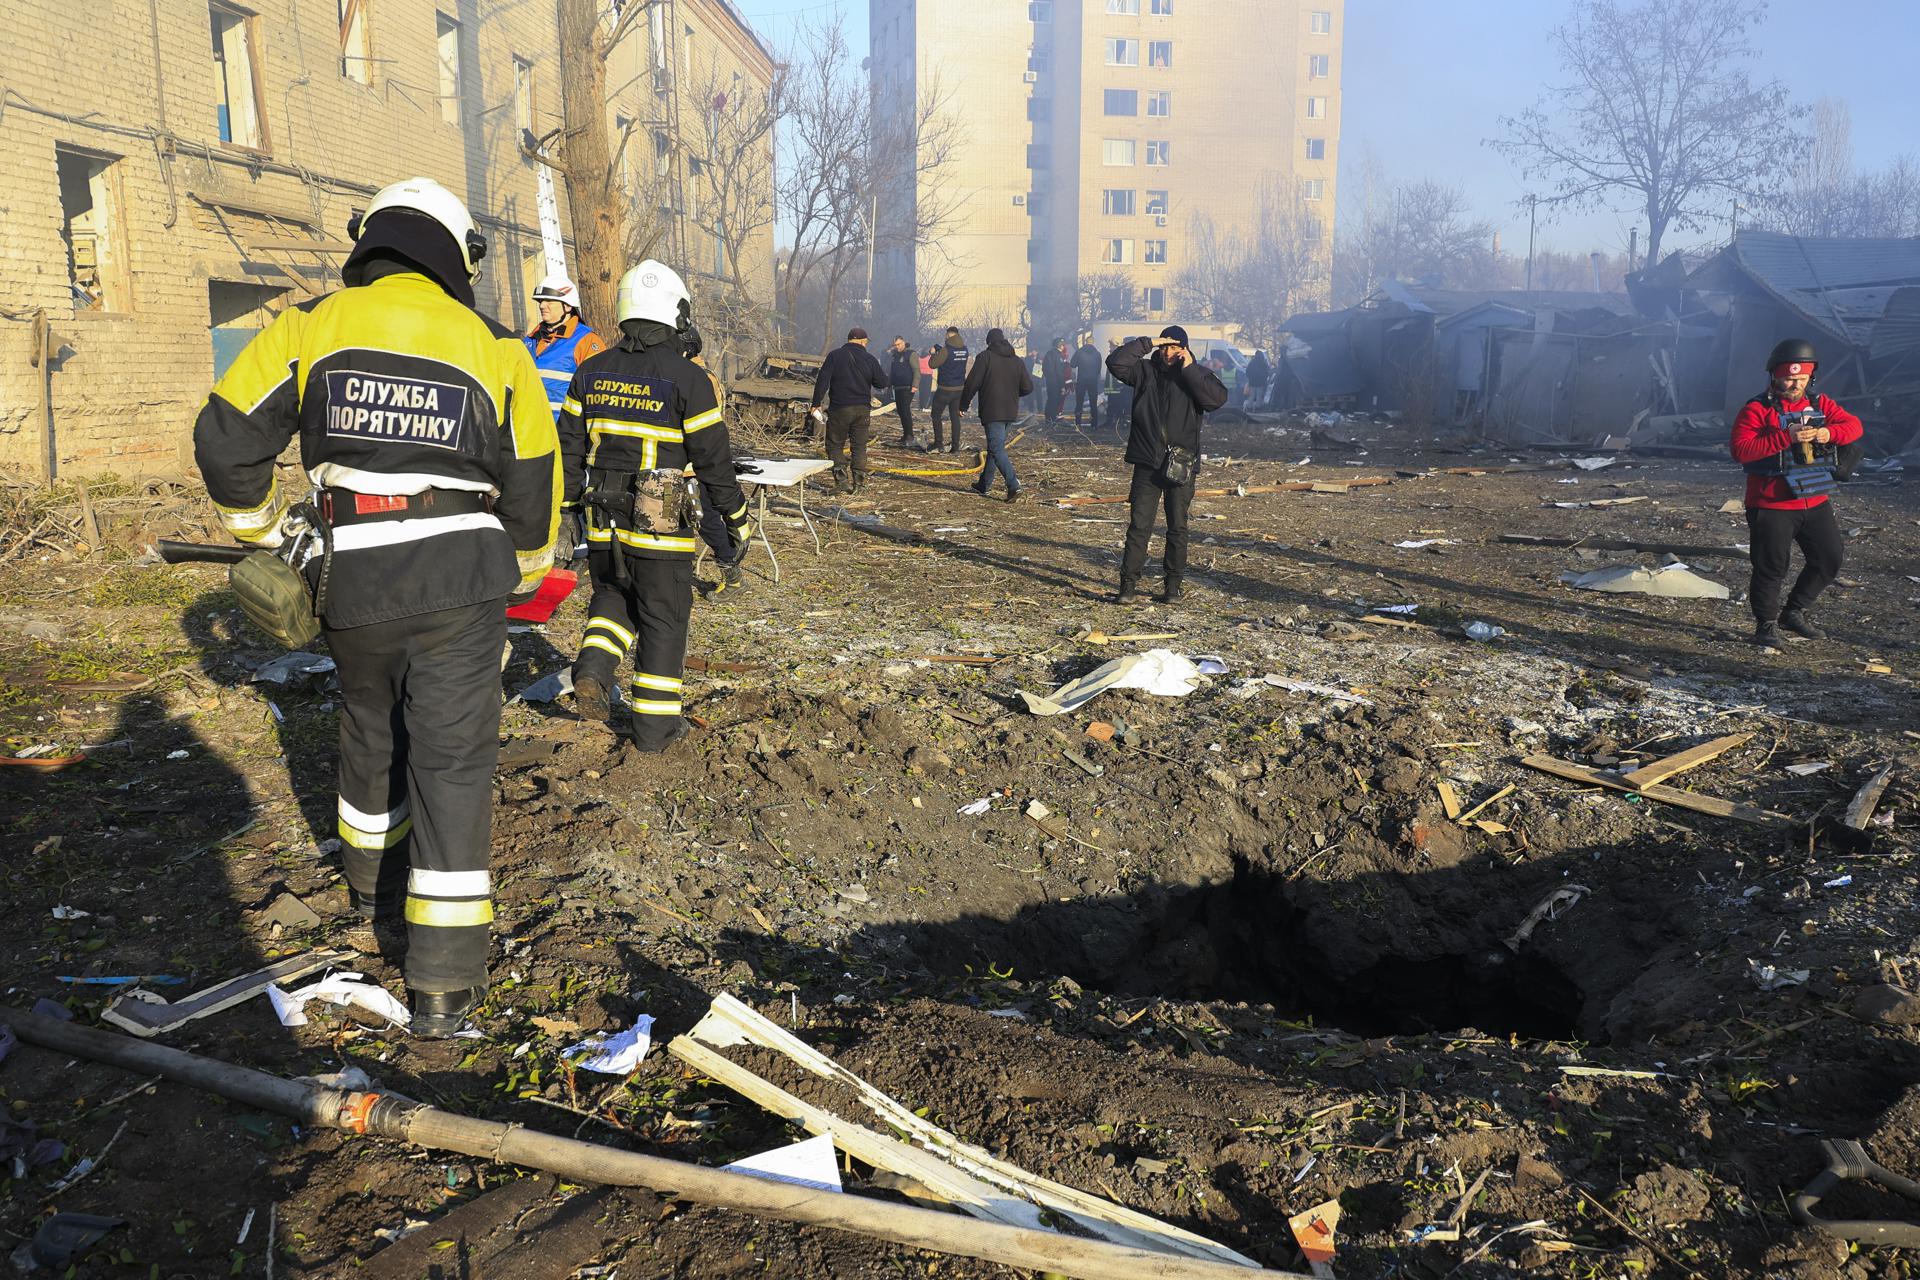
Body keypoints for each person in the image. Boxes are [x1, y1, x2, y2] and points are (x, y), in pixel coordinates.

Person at [193, 176, 561, 1036]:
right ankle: (440, 983)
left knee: (366, 725)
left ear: (372, 240)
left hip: (351, 575)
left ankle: (369, 889)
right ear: (457, 256)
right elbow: (536, 495)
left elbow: (224, 436)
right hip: (463, 575)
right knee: (454, 761)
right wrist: (516, 570)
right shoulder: (496, 345)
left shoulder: (309, 324)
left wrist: (264, 533)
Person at [560, 259, 752, 749]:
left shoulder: (590, 371)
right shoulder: (687, 379)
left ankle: (594, 670)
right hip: (659, 517)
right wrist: (736, 522)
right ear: (675, 314)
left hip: (601, 517)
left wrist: (565, 510)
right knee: (665, 615)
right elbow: (714, 464)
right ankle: (654, 728)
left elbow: (568, 450)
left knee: (612, 596)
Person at [1729, 338, 1864, 646]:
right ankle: (1766, 625)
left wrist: (1829, 431)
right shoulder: (1755, 409)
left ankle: (1795, 612)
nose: (1794, 384)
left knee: (1829, 558)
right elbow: (1740, 450)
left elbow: (1854, 426)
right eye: (1788, 378)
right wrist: (1784, 437)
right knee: (1771, 566)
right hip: (1771, 503)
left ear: (1810, 377)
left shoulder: (1820, 404)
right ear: (1774, 376)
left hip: (1815, 498)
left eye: (1801, 379)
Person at [1107, 325, 1228, 603]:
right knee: (1139, 526)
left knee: (1177, 527)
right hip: (1147, 462)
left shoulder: (1195, 375)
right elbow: (1116, 362)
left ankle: (1172, 588)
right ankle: (1128, 587)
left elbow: (1217, 399)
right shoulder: (1144, 371)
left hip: (1181, 463)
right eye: (1164, 347)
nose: (1167, 352)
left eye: (1174, 347)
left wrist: (1190, 369)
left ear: (1184, 349)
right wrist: (1148, 342)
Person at [523, 273, 606, 565]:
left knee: (574, 497)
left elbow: (599, 395)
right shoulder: (531, 340)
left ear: (567, 306)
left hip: (570, 439)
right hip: (531, 436)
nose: (542, 306)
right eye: (540, 301)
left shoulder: (586, 342)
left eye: (549, 301)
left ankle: (582, 556)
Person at [684, 325, 748, 594]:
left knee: (706, 520)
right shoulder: (694, 375)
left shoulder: (700, 379)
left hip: (695, 466)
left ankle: (733, 577)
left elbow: (703, 430)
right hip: (691, 465)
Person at [810, 327, 889, 494]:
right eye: (866, 342)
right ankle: (859, 485)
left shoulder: (834, 356)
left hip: (840, 408)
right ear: (862, 341)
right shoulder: (870, 359)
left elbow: (822, 381)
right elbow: (882, 383)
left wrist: (816, 403)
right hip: (862, 410)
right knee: (859, 447)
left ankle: (842, 481)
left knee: (834, 445)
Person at [958, 327, 1033, 502]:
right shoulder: (1017, 360)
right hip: (1010, 411)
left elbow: (972, 383)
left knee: (996, 448)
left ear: (989, 342)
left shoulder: (985, 357)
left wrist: (963, 403)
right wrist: (1013, 395)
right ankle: (984, 484)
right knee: (995, 448)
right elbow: (1028, 387)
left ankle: (1014, 486)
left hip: (992, 410)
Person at [928, 327, 970, 453]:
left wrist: (933, 353)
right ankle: (955, 447)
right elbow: (952, 360)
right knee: (955, 418)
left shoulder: (946, 350)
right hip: (959, 389)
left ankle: (938, 443)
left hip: (945, 389)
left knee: (936, 414)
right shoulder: (965, 350)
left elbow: (933, 364)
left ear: (948, 335)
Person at [885, 335, 920, 449]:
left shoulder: (911, 354)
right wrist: (889, 384)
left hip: (908, 387)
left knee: (905, 409)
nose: (897, 347)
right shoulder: (895, 355)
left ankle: (910, 435)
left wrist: (915, 385)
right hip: (898, 387)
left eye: (899, 344)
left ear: (904, 342)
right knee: (900, 410)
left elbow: (916, 370)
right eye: (895, 345)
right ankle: (905, 434)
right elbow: (892, 371)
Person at [1071, 336, 1104, 426]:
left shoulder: (1080, 352)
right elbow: (1098, 369)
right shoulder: (1097, 354)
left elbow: (1072, 364)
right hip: (1093, 381)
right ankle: (1094, 424)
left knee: (1079, 402)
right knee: (1093, 402)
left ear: (1086, 342)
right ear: (1093, 342)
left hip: (1081, 380)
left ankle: (1078, 423)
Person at [1043, 337, 1070, 422]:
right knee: (1055, 400)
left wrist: (1048, 377)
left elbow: (1044, 368)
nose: (1064, 346)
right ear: (1060, 345)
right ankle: (1053, 418)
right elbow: (1059, 371)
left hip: (1049, 381)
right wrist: (1062, 385)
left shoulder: (1048, 354)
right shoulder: (1058, 355)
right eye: (1063, 345)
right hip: (1056, 383)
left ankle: (1048, 417)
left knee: (1050, 399)